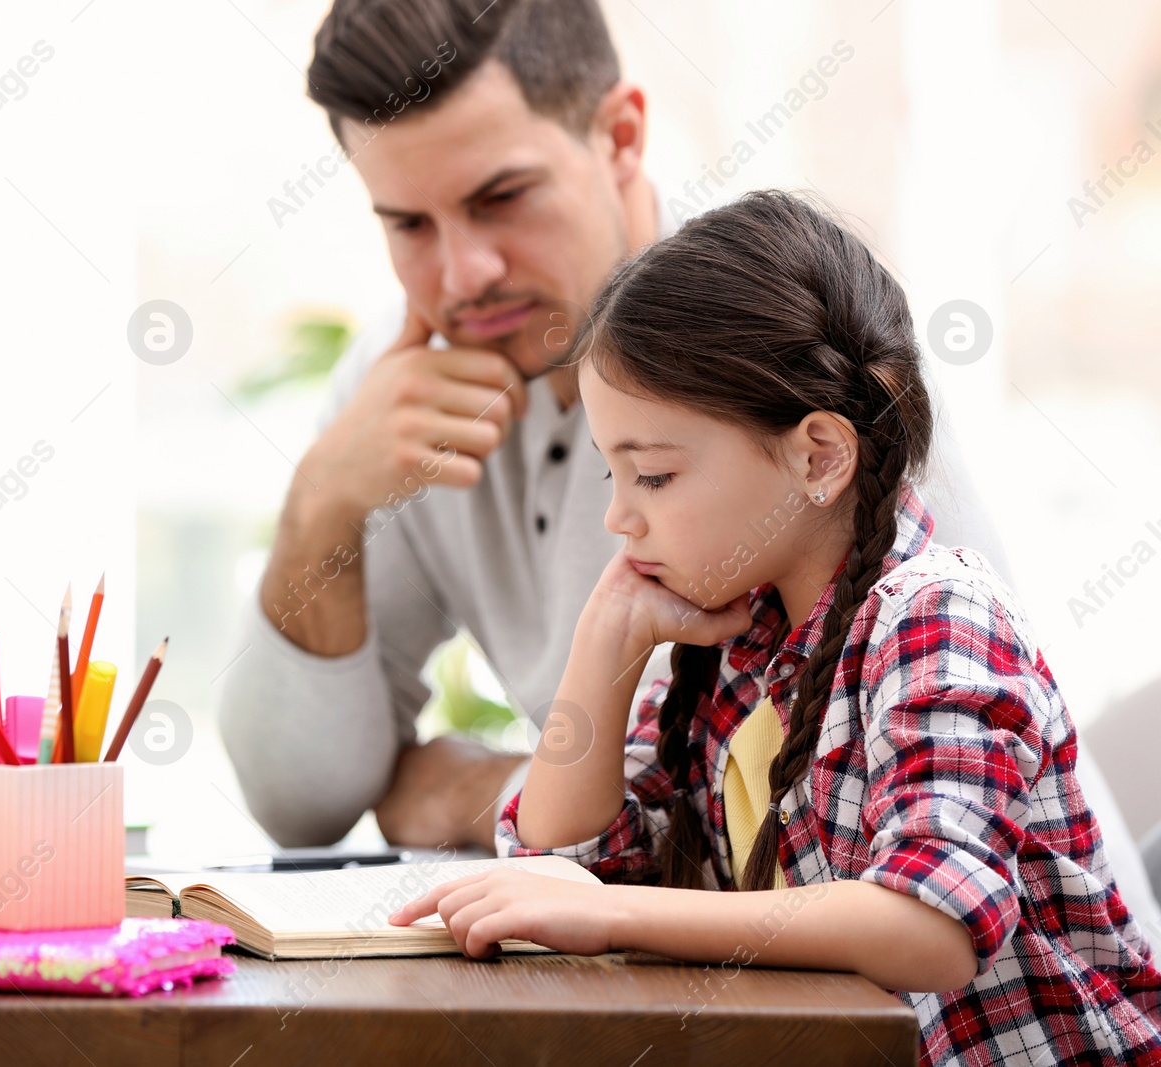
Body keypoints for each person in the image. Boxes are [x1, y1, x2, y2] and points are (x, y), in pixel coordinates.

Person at [387, 191, 1161, 1066]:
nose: (618, 518)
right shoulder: (738, 635)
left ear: (819, 456)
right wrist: (602, 646)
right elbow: (565, 860)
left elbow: (931, 924)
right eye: (613, 473)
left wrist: (611, 912)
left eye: (654, 475)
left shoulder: (938, 617)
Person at [218, 0, 1009, 854]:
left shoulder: (781, 332)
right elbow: (300, 803)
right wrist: (320, 505)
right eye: (409, 224)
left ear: (622, 136)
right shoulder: (407, 391)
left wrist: (478, 795)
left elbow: (788, 815)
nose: (462, 275)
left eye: (502, 197)